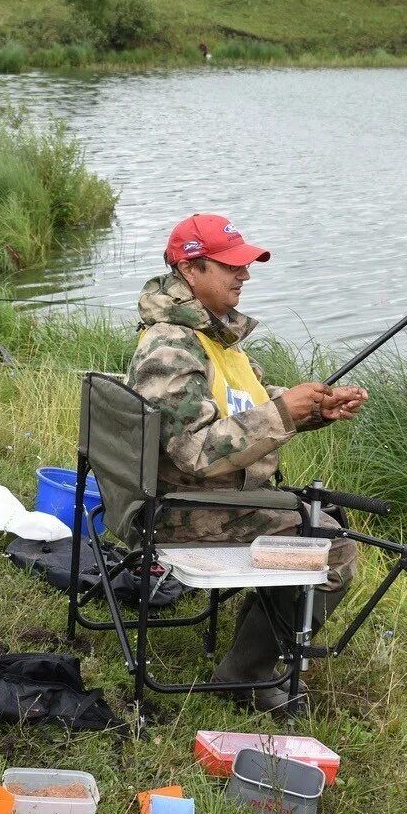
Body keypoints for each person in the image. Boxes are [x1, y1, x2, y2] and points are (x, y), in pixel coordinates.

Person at [126, 213, 369, 713]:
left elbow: (239, 401)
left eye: (246, 264)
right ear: (191, 270)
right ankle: (245, 675)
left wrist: (312, 408)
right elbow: (194, 452)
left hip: (213, 498)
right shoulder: (171, 347)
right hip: (183, 511)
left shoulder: (210, 336)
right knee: (335, 554)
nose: (245, 275)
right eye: (231, 265)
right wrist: (283, 414)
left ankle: (248, 659)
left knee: (324, 525)